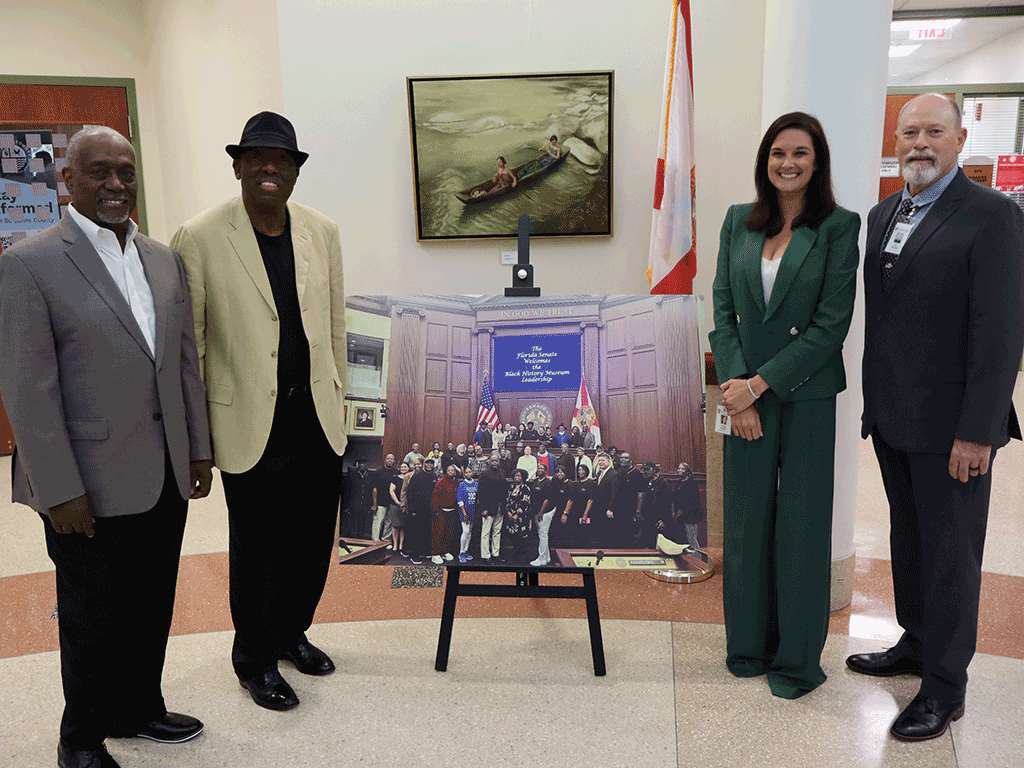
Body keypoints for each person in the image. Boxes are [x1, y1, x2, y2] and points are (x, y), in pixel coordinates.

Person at [0, 125, 213, 767]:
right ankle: (81, 737)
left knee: (151, 600)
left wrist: (197, 449)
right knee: (91, 615)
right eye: (100, 172)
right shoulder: (28, 263)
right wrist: (58, 489)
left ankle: (138, 706)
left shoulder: (161, 258)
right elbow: (27, 389)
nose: (116, 184)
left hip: (164, 470)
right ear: (68, 180)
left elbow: (182, 363)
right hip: (84, 483)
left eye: (126, 172)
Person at [848, 93, 1024, 741]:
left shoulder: (993, 216)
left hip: (956, 430)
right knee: (910, 541)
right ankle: (916, 643)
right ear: (896, 140)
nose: (919, 142)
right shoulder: (883, 212)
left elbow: (1001, 334)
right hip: (894, 419)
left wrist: (979, 430)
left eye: (934, 131)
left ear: (959, 137)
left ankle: (946, 686)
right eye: (909, 131)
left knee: (952, 555)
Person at [171, 111, 347, 711]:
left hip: (317, 418)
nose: (270, 168)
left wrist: (341, 399)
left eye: (283, 159)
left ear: (295, 170)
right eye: (257, 158)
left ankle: (291, 631)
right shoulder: (198, 236)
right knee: (259, 547)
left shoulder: (321, 231)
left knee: (310, 540)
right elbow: (188, 348)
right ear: (238, 166)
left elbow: (336, 328)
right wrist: (197, 440)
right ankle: (254, 659)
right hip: (249, 422)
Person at [708, 111, 860, 700]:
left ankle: (796, 660)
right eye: (778, 153)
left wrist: (759, 384)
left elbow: (830, 326)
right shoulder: (736, 223)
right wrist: (737, 388)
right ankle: (746, 647)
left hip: (806, 397)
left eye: (800, 153)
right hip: (743, 397)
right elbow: (722, 307)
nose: (788, 163)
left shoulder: (840, 227)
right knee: (744, 524)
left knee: (800, 526)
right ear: (764, 161)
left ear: (816, 161)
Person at [405, 458, 438, 565]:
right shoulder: (417, 475)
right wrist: (412, 509)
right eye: (427, 463)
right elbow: (410, 493)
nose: (429, 465)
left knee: (426, 532)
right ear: (424, 464)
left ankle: (423, 552)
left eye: (431, 463)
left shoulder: (433, 476)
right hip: (417, 510)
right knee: (416, 533)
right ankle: (414, 555)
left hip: (428, 510)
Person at [583, 452, 620, 548]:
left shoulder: (614, 474)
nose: (600, 462)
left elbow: (615, 493)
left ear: (608, 461)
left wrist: (611, 509)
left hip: (607, 508)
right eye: (599, 461)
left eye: (602, 460)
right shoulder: (600, 473)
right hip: (599, 508)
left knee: (607, 533)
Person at [477, 455, 508, 564]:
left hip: (500, 507)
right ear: (489, 462)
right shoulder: (485, 474)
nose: (494, 462)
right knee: (486, 533)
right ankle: (485, 556)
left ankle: (495, 554)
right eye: (493, 461)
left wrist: (504, 506)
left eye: (496, 461)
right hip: (488, 507)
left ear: (498, 462)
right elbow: (480, 493)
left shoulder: (502, 473)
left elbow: (505, 491)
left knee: (497, 532)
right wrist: (483, 508)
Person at [638, 462, 674, 549]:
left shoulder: (663, 482)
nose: (646, 472)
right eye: (645, 470)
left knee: (660, 545)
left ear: (654, 469)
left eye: (648, 469)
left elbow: (668, 502)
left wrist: (665, 520)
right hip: (648, 518)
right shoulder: (646, 482)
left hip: (659, 519)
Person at [430, 463, 460, 564]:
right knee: (438, 533)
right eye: (449, 470)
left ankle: (444, 551)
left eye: (453, 470)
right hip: (440, 511)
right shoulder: (441, 482)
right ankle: (435, 553)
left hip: (451, 511)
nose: (451, 472)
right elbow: (435, 497)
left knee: (449, 533)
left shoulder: (456, 482)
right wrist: (435, 511)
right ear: (446, 472)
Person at [503, 469, 533, 563]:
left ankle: (521, 557)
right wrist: (508, 512)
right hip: (510, 516)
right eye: (516, 476)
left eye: (519, 476)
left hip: (521, 517)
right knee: (513, 536)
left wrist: (517, 514)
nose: (517, 477)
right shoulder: (511, 487)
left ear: (523, 477)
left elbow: (525, 502)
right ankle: (515, 555)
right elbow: (507, 500)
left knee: (521, 537)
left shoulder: (525, 488)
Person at [671, 463, 703, 550]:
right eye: (679, 468)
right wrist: (674, 511)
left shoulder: (691, 484)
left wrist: (679, 512)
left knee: (692, 540)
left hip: (690, 517)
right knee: (682, 540)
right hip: (680, 518)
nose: (679, 471)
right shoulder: (678, 483)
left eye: (682, 469)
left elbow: (691, 502)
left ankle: (697, 560)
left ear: (687, 471)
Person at [342, 459, 376, 540]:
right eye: (360, 463)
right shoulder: (352, 475)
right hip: (354, 502)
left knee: (363, 521)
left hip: (366, 502)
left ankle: (361, 537)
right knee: (352, 521)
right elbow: (346, 490)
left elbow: (373, 489)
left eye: (363, 463)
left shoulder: (370, 475)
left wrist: (373, 503)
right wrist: (346, 505)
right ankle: (352, 537)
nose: (362, 465)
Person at [529, 463, 555, 566]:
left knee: (543, 534)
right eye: (538, 468)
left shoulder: (548, 482)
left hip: (545, 511)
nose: (539, 469)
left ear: (545, 471)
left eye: (542, 468)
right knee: (542, 533)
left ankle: (541, 558)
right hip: (536, 510)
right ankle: (547, 557)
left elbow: (547, 499)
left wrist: (541, 512)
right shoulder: (536, 481)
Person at [387, 461, 410, 557]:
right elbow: (391, 491)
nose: (403, 468)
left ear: (409, 468)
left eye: (405, 467)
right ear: (399, 468)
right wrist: (398, 502)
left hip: (406, 505)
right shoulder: (395, 478)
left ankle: (401, 545)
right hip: (395, 505)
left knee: (403, 526)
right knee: (396, 526)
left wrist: (404, 504)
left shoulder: (410, 478)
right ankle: (395, 545)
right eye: (402, 467)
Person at [456, 467, 479, 563]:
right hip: (464, 512)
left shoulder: (476, 484)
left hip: (473, 511)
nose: (468, 474)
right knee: (465, 531)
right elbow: (459, 499)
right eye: (466, 472)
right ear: (464, 474)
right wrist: (464, 513)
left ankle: (465, 551)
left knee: (469, 532)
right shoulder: (462, 484)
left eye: (470, 472)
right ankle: (461, 552)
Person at [376, 453, 400, 543]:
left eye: (392, 459)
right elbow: (374, 488)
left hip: (392, 502)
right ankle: (375, 541)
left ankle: (385, 540)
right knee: (378, 522)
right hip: (380, 501)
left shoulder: (396, 472)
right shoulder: (379, 472)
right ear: (385, 460)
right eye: (388, 458)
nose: (390, 460)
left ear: (394, 461)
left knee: (389, 523)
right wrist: (374, 503)